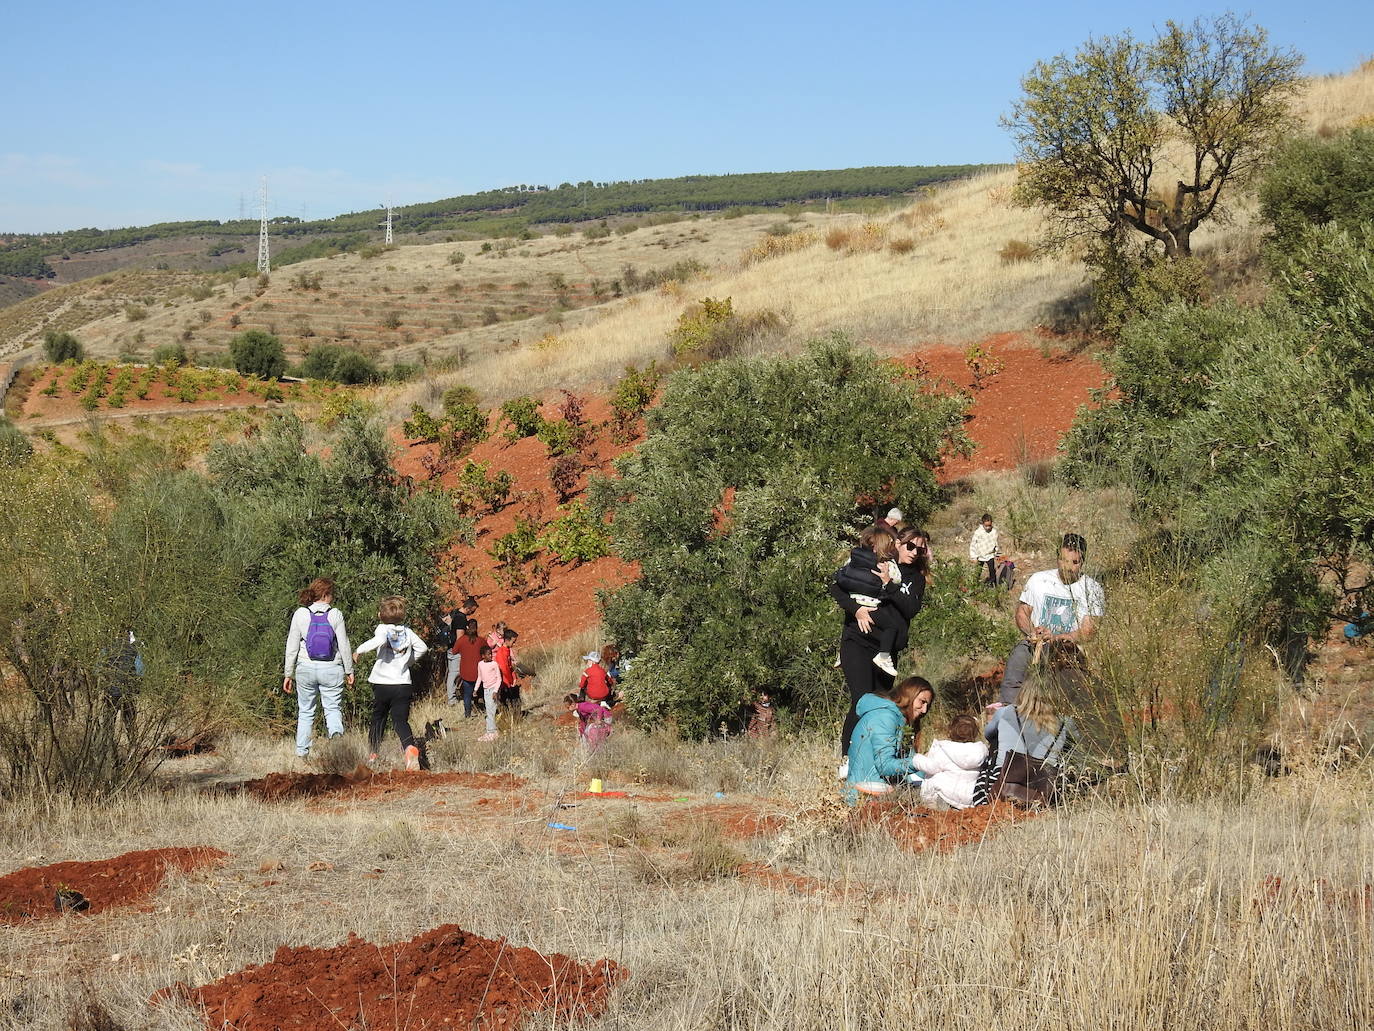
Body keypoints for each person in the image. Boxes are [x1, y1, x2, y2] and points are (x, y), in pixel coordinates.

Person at [831, 526, 929, 776]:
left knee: (880, 704)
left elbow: (910, 610)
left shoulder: (914, 578)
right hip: (857, 640)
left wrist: (889, 584)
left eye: (920, 549)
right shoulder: (872, 561)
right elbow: (838, 587)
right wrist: (856, 609)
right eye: (910, 546)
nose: (915, 552)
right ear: (897, 543)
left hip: (885, 650)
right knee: (861, 698)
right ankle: (848, 759)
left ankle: (875, 761)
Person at [998, 533, 1104, 705]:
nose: (1068, 567)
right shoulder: (1039, 580)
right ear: (1057, 558)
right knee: (1017, 660)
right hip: (1036, 644)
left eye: (1074, 562)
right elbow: (1022, 612)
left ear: (1083, 562)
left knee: (1073, 694)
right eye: (1063, 560)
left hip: (1070, 651)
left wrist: (1057, 638)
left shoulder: (1092, 589)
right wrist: (1032, 631)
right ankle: (1007, 713)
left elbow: (1089, 631)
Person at [975, 674, 1076, 807]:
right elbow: (1076, 746)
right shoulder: (1065, 722)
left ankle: (982, 805)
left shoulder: (1005, 712)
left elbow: (988, 734)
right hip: (1044, 783)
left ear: (1024, 692)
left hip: (1004, 776)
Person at [353, 596, 429, 771]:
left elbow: (378, 641)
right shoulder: (407, 631)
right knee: (400, 721)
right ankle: (410, 749)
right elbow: (423, 648)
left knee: (378, 718)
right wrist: (408, 662)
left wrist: (359, 650)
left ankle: (373, 754)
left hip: (382, 683)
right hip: (403, 683)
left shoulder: (382, 629)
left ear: (380, 615)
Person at [283, 578, 354, 759]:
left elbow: (292, 646)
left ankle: (302, 753)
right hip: (332, 668)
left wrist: (288, 674)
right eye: (332, 594)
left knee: (306, 712)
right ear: (325, 594)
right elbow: (344, 644)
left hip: (305, 668)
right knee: (332, 708)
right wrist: (349, 670)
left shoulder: (300, 614)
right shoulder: (335, 614)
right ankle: (336, 737)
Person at [844, 676, 934, 804]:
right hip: (863, 798)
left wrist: (929, 765)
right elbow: (885, 765)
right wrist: (917, 762)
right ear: (909, 695)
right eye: (922, 702)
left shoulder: (899, 720)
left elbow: (905, 762)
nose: (924, 710)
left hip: (879, 794)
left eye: (928, 705)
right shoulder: (885, 718)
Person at [834, 525, 905, 676]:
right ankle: (884, 656)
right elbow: (898, 579)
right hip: (871, 605)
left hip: (854, 600)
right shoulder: (885, 564)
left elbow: (843, 574)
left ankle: (842, 654)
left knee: (848, 625)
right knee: (891, 626)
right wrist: (889, 578)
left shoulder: (854, 559)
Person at [910, 714, 988, 809]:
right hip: (969, 799)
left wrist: (916, 759)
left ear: (950, 731)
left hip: (944, 795)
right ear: (976, 733)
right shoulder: (980, 751)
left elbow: (931, 767)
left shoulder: (945, 749)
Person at [450, 618, 484, 717]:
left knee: (467, 694)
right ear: (477, 628)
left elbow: (454, 651)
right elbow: (487, 650)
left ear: (467, 627)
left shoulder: (462, 640)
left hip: (466, 672)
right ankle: (482, 708)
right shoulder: (481, 641)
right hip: (479, 672)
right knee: (480, 691)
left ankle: (467, 713)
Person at [476, 644, 502, 742]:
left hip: (493, 690)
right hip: (486, 690)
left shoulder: (494, 664)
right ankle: (491, 731)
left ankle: (492, 732)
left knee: (491, 711)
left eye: (491, 654)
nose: (490, 656)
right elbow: (480, 677)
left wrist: (495, 691)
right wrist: (476, 689)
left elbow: (499, 679)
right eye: (488, 654)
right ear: (483, 656)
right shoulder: (480, 664)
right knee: (489, 711)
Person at [969, 513, 1001, 587]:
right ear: (983, 524)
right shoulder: (978, 532)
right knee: (978, 572)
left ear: (991, 523)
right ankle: (974, 586)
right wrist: (974, 556)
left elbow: (996, 543)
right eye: (986, 526)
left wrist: (996, 552)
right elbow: (973, 544)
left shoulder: (994, 532)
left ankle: (993, 587)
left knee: (992, 571)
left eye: (989, 525)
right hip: (980, 555)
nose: (987, 527)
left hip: (990, 555)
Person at [494, 628, 520, 712]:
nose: (514, 644)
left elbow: (509, 667)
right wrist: (510, 681)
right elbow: (504, 669)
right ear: (507, 640)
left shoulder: (507, 650)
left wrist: (514, 677)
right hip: (504, 683)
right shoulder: (502, 652)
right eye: (513, 641)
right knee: (506, 703)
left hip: (508, 681)